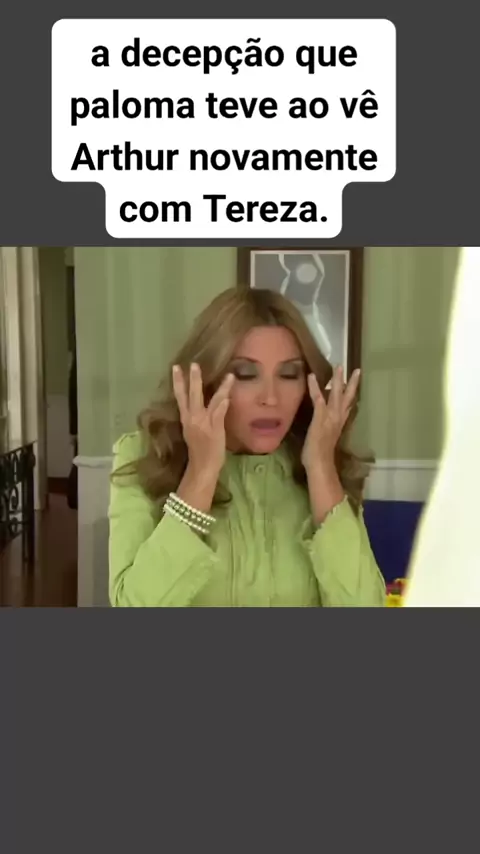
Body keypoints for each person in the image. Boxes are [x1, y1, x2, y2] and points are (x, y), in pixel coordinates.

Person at [108, 287, 386, 607]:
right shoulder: (144, 455)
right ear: (208, 378)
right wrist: (201, 473)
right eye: (245, 374)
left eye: (289, 374)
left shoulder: (321, 463)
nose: (270, 398)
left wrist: (321, 467)